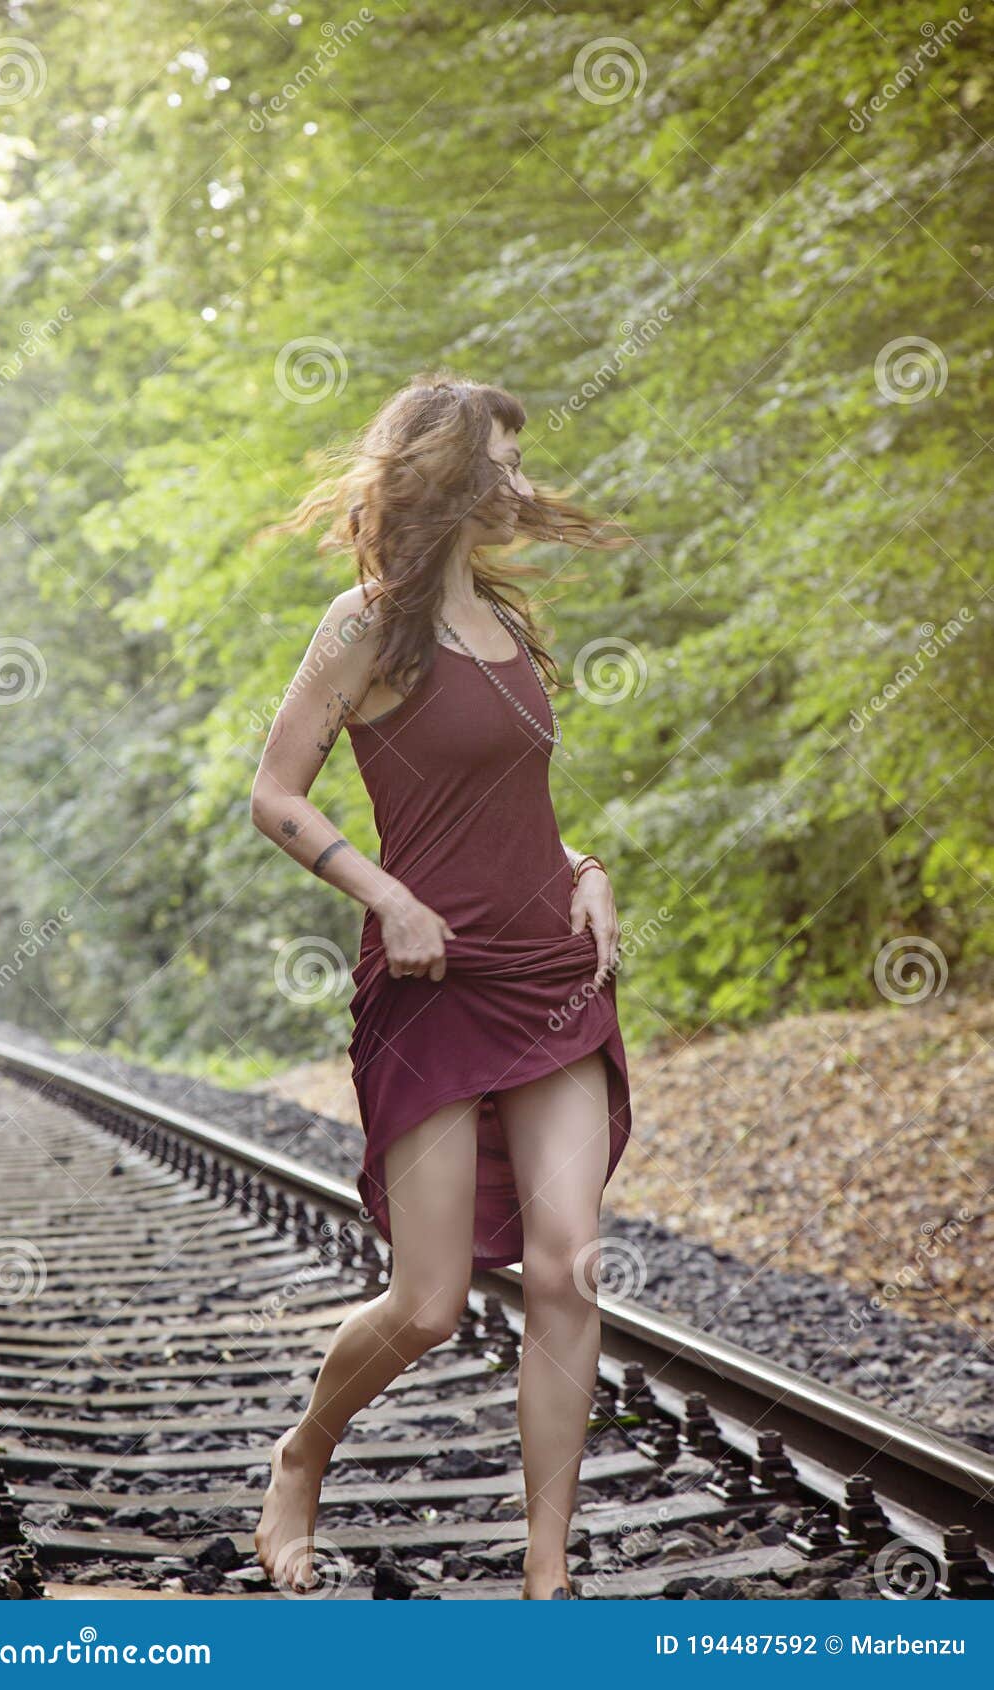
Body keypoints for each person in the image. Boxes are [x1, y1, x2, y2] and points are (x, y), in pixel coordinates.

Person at [249, 372, 633, 1599]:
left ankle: (544, 1570)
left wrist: (584, 865)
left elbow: (516, 809)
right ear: (442, 474)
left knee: (569, 1265)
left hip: (549, 977)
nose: (517, 484)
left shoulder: (511, 628)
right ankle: (300, 1460)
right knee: (425, 1304)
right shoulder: (363, 625)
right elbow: (275, 796)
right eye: (499, 462)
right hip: (429, 985)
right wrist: (386, 895)